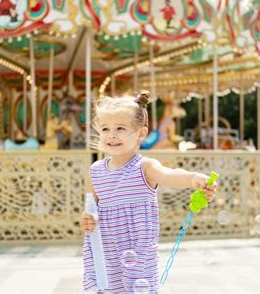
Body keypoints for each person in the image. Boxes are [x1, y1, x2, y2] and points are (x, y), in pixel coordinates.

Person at [80, 91, 218, 293]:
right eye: (105, 128)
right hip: (106, 249)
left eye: (120, 128)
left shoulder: (144, 167)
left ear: (141, 134)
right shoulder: (95, 171)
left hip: (137, 251)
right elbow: (91, 210)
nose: (111, 135)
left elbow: (171, 175)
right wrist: (87, 219)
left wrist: (193, 178)